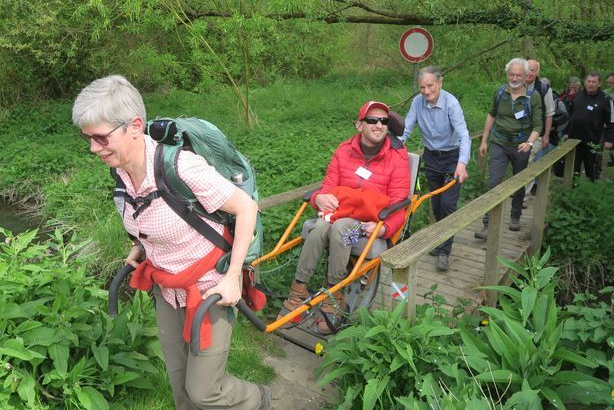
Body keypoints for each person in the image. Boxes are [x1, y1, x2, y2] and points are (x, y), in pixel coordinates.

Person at [72, 75, 270, 410]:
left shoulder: (180, 167)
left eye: (101, 138)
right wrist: (141, 245)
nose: (94, 148)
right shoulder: (120, 172)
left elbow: (246, 208)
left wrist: (233, 276)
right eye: (88, 138)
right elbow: (149, 216)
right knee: (180, 387)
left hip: (209, 290)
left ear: (134, 126)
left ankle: (259, 398)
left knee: (205, 391)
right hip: (166, 291)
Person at [282, 101, 410, 333]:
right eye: (372, 120)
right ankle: (298, 289)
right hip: (339, 213)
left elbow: (400, 205)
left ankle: (334, 294)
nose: (379, 125)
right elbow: (328, 187)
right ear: (359, 125)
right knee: (319, 228)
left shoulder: (397, 158)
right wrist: (318, 198)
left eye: (384, 121)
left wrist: (384, 229)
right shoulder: (344, 151)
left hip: (366, 223)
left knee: (341, 229)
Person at [400, 66, 471, 271]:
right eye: (422, 87)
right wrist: (395, 147)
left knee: (448, 205)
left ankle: (444, 251)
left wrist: (462, 163)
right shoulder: (417, 103)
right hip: (431, 157)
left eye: (430, 86)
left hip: (452, 157)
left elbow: (464, 135)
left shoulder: (451, 103)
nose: (426, 91)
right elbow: (406, 128)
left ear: (439, 83)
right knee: (437, 204)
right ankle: (441, 240)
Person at [475, 58, 542, 239]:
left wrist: (529, 142)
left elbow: (538, 125)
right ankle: (488, 224)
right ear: (507, 74)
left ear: (526, 76)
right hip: (499, 143)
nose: (514, 78)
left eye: (518, 75)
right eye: (511, 74)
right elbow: (491, 115)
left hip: (521, 146)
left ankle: (515, 216)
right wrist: (484, 141)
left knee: (518, 181)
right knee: (494, 182)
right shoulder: (499, 93)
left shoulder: (532, 97)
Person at [567, 72, 614, 181]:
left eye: (594, 82)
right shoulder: (577, 96)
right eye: (589, 81)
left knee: (592, 168)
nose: (591, 84)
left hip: (593, 140)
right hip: (574, 139)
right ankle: (573, 190)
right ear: (585, 82)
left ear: (599, 84)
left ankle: (591, 189)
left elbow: (611, 121)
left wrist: (609, 139)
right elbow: (571, 115)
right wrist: (566, 132)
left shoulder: (606, 99)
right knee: (574, 168)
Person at [525, 60, 555, 160]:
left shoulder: (544, 88)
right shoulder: (517, 85)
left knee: (530, 162)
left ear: (537, 72)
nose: (529, 73)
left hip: (537, 134)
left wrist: (546, 135)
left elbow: (549, 114)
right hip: (519, 134)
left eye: (532, 70)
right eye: (527, 69)